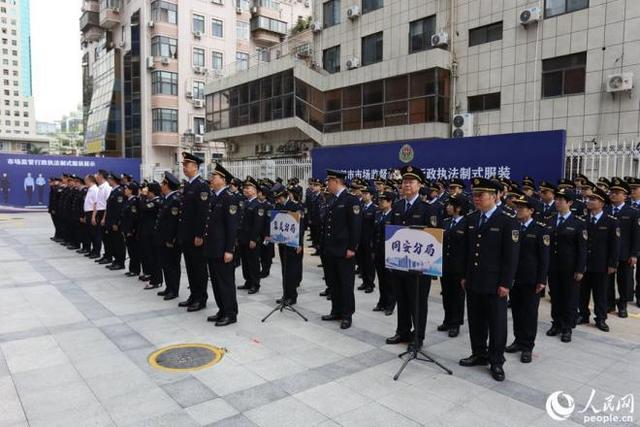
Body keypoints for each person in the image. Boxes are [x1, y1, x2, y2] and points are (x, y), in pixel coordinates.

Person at [459, 178, 520, 382]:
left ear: (494, 197)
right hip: (474, 280)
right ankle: (479, 353)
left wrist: (506, 283)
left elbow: (511, 256)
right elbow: (467, 252)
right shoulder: (471, 218)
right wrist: (464, 276)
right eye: (474, 195)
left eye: (480, 195)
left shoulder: (507, 220)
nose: (476, 199)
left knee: (497, 324)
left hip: (495, 283)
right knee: (476, 321)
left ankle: (496, 361)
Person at [385, 165, 439, 350]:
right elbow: (392, 234)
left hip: (419, 267)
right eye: (404, 181)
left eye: (411, 182)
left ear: (419, 185)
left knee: (418, 302)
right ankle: (402, 331)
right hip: (400, 264)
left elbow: (434, 238)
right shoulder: (398, 206)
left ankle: (418, 337)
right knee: (402, 299)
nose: (407, 185)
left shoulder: (428, 209)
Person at [505, 195, 549, 363]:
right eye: (517, 207)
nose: (518, 210)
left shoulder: (540, 229)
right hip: (514, 277)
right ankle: (518, 340)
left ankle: (527, 346)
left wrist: (542, 280)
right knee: (516, 311)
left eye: (522, 208)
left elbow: (544, 258)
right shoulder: (513, 226)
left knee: (530, 313)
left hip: (531, 279)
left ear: (531, 211)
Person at [320, 169, 362, 330]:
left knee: (345, 283)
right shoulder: (332, 199)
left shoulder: (351, 200)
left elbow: (355, 226)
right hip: (330, 249)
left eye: (329, 182)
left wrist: (352, 248)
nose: (327, 185)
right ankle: (336, 310)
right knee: (333, 282)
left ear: (336, 182)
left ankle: (347, 314)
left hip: (344, 250)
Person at [545, 188, 587, 343]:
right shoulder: (550, 220)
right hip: (553, 267)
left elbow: (582, 249)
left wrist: (580, 269)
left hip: (570, 268)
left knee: (570, 298)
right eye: (556, 199)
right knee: (555, 296)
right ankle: (556, 323)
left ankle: (567, 327)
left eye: (561, 200)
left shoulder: (578, 223)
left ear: (569, 202)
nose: (557, 202)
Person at [578, 187, 620, 332]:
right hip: (584, 263)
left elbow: (615, 245)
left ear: (602, 203)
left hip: (601, 264)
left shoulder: (611, 221)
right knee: (583, 291)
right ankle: (583, 314)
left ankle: (600, 318)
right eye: (589, 199)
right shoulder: (582, 219)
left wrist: (612, 263)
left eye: (593, 199)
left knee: (600, 293)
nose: (589, 201)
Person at [204, 163, 240, 326]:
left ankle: (230, 313)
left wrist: (229, 250)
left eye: (215, 176)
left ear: (223, 180)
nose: (212, 179)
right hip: (212, 248)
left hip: (223, 249)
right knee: (217, 283)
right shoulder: (214, 197)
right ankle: (222, 309)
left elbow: (232, 228)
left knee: (225, 282)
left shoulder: (229, 198)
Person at [177, 152, 210, 312]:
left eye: (187, 165)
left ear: (195, 167)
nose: (184, 167)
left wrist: (199, 234)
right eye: (183, 165)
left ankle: (201, 298)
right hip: (186, 234)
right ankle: (193, 295)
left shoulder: (201, 185)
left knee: (199, 267)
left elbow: (202, 213)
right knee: (190, 266)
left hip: (195, 236)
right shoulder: (188, 185)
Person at [605, 178, 639, 318]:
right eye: (612, 192)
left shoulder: (633, 212)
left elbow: (637, 236)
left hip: (625, 253)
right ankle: (610, 304)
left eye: (617, 192)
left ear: (625, 195)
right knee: (607, 281)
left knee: (624, 281)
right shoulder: (605, 210)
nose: (613, 194)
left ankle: (622, 305)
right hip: (607, 253)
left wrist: (634, 254)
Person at [439, 195, 468, 338]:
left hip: (459, 267)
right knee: (446, 293)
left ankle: (455, 323)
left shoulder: (466, 223)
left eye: (451, 205)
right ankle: (447, 319)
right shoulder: (445, 222)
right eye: (448, 205)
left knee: (457, 295)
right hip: (445, 265)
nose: (448, 207)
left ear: (459, 208)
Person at [272, 185, 306, 305]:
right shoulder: (279, 206)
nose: (278, 200)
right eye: (276, 198)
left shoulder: (295, 206)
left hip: (293, 243)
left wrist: (299, 244)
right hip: (283, 244)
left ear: (284, 196)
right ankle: (285, 294)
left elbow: (300, 227)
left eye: (279, 198)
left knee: (292, 271)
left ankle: (292, 296)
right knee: (285, 270)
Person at [155, 172, 183, 300]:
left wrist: (170, 239)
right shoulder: (167, 198)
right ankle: (168, 287)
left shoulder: (175, 200)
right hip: (163, 238)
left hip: (170, 240)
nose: (161, 185)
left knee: (172, 265)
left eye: (162, 183)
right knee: (165, 264)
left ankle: (174, 290)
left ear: (167, 185)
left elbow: (173, 222)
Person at [236, 176, 263, 295]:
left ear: (255, 190)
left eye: (248, 188)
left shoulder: (258, 204)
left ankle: (255, 283)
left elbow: (258, 225)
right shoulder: (246, 203)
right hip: (243, 238)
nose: (245, 190)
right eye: (244, 188)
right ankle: (248, 281)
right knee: (245, 261)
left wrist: (254, 239)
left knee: (253, 262)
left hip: (251, 239)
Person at [372, 191, 396, 316]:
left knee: (390, 280)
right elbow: (374, 233)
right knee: (381, 279)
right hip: (378, 252)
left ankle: (390, 304)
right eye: (380, 200)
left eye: (383, 200)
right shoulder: (378, 214)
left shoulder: (393, 216)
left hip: (389, 254)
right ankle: (382, 301)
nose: (380, 202)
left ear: (390, 202)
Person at [139, 182, 162, 290]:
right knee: (149, 256)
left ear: (152, 192)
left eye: (148, 192)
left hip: (152, 233)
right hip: (147, 233)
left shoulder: (156, 201)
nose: (146, 193)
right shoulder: (152, 200)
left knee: (154, 258)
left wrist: (143, 196)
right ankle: (153, 278)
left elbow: (143, 208)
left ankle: (156, 280)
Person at [356, 185, 377, 293]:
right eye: (363, 193)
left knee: (369, 263)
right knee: (362, 261)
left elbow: (375, 227)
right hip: (360, 239)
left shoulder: (375, 209)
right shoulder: (360, 206)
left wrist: (373, 241)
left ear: (371, 195)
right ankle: (364, 281)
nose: (364, 195)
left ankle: (370, 283)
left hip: (369, 240)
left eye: (366, 193)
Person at [105, 173, 126, 270]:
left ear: (112, 180)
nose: (108, 181)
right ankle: (116, 260)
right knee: (113, 242)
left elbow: (119, 209)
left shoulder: (119, 192)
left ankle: (120, 262)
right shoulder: (114, 191)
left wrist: (116, 223)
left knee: (118, 243)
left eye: (109, 179)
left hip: (115, 223)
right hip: (111, 222)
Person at [121, 182, 141, 278]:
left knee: (134, 251)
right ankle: (132, 269)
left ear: (131, 190)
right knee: (130, 250)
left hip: (131, 231)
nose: (125, 190)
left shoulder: (134, 201)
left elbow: (134, 217)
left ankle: (135, 270)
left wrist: (131, 230)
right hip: (126, 229)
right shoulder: (128, 200)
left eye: (127, 189)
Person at [94, 170, 112, 262]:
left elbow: (108, 205)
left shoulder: (107, 188)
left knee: (107, 237)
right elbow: (98, 204)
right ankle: (106, 255)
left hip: (105, 213)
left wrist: (104, 218)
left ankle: (109, 257)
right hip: (99, 213)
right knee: (103, 237)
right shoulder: (100, 187)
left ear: (101, 176)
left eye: (97, 174)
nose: (95, 176)